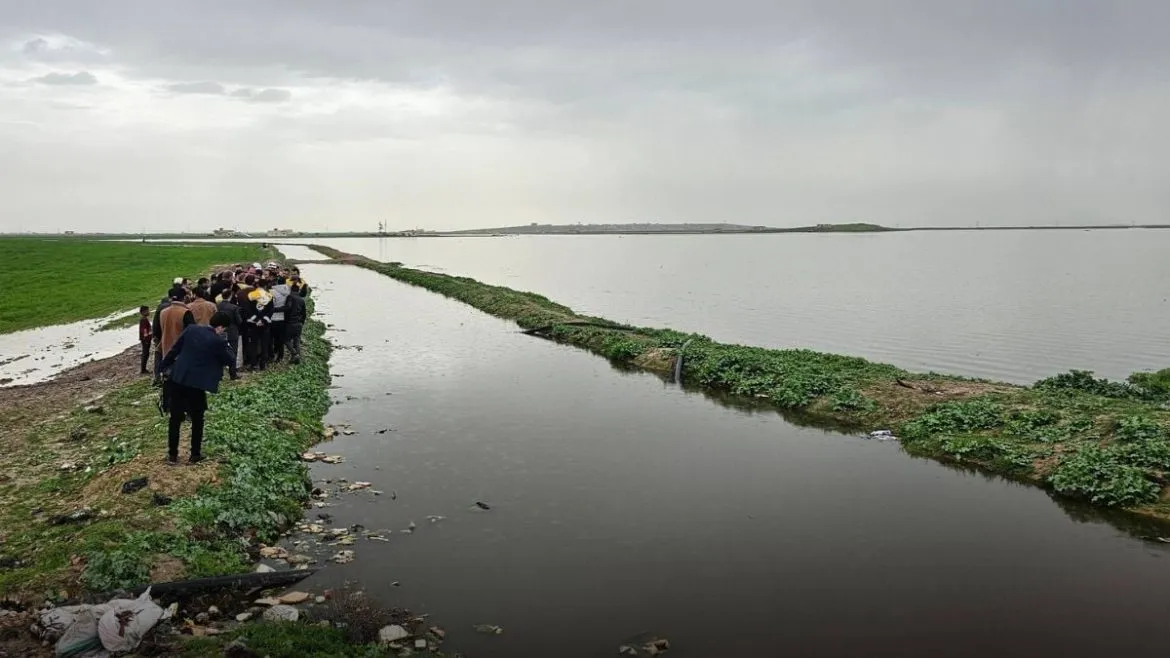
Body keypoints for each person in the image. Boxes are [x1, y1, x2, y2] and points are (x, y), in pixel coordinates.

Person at [159, 312, 236, 464]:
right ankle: (195, 454)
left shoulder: (191, 329)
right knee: (197, 418)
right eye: (224, 329)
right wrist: (225, 342)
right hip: (197, 384)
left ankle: (172, 456)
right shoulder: (218, 341)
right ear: (220, 327)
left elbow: (175, 349)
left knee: (175, 418)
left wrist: (162, 367)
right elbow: (230, 359)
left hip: (178, 378)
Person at [216, 284, 243, 380]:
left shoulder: (217, 306)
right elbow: (239, 321)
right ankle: (233, 373)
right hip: (232, 331)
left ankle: (219, 375)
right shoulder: (234, 307)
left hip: (220, 331)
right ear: (230, 296)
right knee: (233, 353)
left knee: (219, 352)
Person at [270, 276, 291, 363]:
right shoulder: (288, 291)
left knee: (274, 338)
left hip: (273, 318)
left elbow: (271, 304)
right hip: (283, 318)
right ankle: (280, 355)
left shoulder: (272, 291)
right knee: (281, 338)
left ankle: (274, 352)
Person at [284, 285, 307, 364]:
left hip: (290, 323)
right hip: (299, 323)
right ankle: (297, 360)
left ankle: (294, 354)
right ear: (298, 290)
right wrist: (302, 322)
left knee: (286, 340)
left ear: (291, 290)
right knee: (296, 342)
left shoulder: (290, 297)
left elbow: (287, 308)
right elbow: (304, 314)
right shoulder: (301, 300)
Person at [137, 305, 152, 375]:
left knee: (146, 353)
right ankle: (143, 369)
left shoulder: (144, 319)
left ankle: (143, 369)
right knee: (145, 353)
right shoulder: (143, 320)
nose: (149, 312)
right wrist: (146, 339)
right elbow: (144, 331)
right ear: (143, 312)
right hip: (145, 340)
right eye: (147, 311)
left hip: (145, 339)